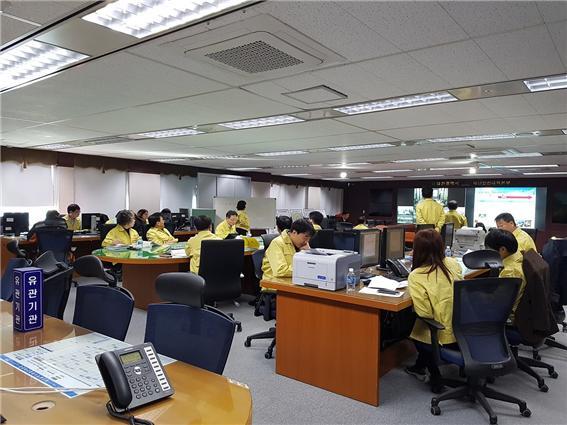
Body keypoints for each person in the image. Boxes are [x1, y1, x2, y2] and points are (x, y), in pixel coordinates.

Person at [405, 229, 463, 391]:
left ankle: (435, 376)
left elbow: (425, 313)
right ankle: (418, 367)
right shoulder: (452, 263)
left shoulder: (417, 275)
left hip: (443, 334)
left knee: (416, 329)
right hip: (464, 330)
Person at [484, 229, 527, 320]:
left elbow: (499, 303)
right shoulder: (518, 255)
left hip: (507, 316)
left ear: (503, 249)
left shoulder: (510, 272)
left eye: (489, 250)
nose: (487, 253)